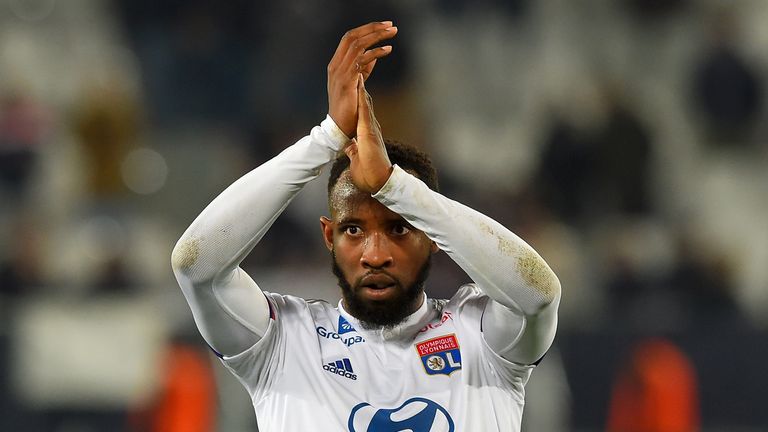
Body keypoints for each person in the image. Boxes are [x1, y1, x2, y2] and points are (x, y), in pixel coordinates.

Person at [172, 21, 561, 431]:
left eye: (399, 229)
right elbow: (196, 265)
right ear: (329, 236)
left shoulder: (481, 338)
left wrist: (397, 189)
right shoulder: (284, 344)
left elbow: (539, 294)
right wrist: (325, 139)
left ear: (432, 238)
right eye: (354, 230)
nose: (375, 255)